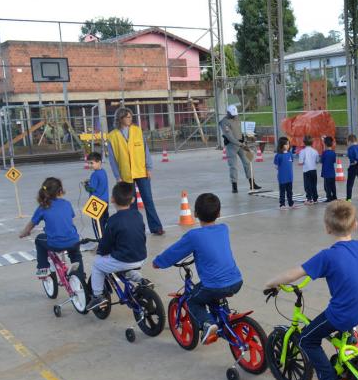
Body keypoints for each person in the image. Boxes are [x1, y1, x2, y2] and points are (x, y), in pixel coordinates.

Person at [263, 201, 358, 380]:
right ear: (355, 224)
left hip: (343, 314)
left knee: (307, 339)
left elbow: (293, 274)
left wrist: (271, 283)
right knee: (344, 308)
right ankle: (349, 346)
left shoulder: (327, 256)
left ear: (327, 228)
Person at [153, 193, 242, 345]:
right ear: (219, 213)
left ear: (195, 214)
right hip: (236, 280)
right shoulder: (224, 229)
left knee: (193, 300)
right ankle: (225, 319)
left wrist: (159, 262)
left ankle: (208, 324)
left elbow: (175, 252)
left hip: (214, 285)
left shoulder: (194, 236)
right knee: (216, 291)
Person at [87, 183, 147, 310]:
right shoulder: (138, 215)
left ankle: (97, 296)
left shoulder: (113, 220)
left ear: (112, 199)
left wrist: (100, 251)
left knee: (97, 264)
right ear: (133, 199)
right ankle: (142, 280)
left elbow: (106, 243)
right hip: (141, 256)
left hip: (124, 259)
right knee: (124, 263)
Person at [107, 107, 164, 235]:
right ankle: (134, 229)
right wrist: (117, 176)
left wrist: (149, 168)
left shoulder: (137, 131)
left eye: (131, 117)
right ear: (120, 118)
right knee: (130, 204)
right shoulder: (112, 136)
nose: (130, 119)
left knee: (148, 200)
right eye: (127, 117)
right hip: (125, 175)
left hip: (141, 171)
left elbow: (145, 151)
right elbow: (112, 159)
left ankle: (156, 227)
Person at [19, 177, 83, 279]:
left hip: (55, 243)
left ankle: (43, 267)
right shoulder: (67, 203)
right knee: (76, 254)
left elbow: (31, 224)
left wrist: (24, 233)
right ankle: (80, 275)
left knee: (39, 239)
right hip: (73, 240)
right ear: (60, 191)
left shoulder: (43, 207)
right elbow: (69, 218)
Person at [219, 104, 261, 194]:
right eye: (232, 114)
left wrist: (247, 138)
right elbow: (230, 137)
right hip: (231, 146)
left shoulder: (237, 117)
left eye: (235, 114)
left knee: (248, 162)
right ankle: (234, 186)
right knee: (233, 166)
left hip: (241, 144)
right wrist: (241, 145)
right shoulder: (224, 122)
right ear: (227, 113)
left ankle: (252, 183)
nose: (234, 116)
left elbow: (239, 131)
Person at [84, 151, 109, 235]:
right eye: (89, 163)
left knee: (96, 223)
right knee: (104, 221)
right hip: (105, 201)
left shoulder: (94, 175)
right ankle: (106, 239)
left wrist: (86, 185)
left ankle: (100, 240)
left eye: (92, 163)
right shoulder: (103, 172)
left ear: (99, 162)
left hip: (96, 202)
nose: (90, 165)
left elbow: (91, 189)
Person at [273, 137, 295, 210]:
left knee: (290, 191)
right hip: (282, 177)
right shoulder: (278, 155)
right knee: (282, 192)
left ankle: (291, 204)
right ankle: (282, 204)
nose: (288, 146)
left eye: (288, 144)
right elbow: (276, 166)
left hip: (289, 177)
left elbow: (291, 162)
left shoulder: (290, 154)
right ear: (281, 145)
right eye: (286, 144)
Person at [299, 135, 319, 205]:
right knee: (314, 185)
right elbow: (317, 161)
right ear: (312, 143)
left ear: (304, 142)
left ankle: (309, 199)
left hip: (306, 170)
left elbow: (300, 162)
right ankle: (315, 198)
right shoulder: (315, 151)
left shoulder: (302, 151)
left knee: (307, 185)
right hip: (314, 170)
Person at [320, 136, 337, 202]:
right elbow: (333, 161)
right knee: (333, 186)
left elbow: (321, 161)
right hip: (332, 173)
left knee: (327, 187)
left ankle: (329, 197)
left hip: (326, 173)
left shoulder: (324, 153)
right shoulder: (333, 153)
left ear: (325, 144)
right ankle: (334, 196)